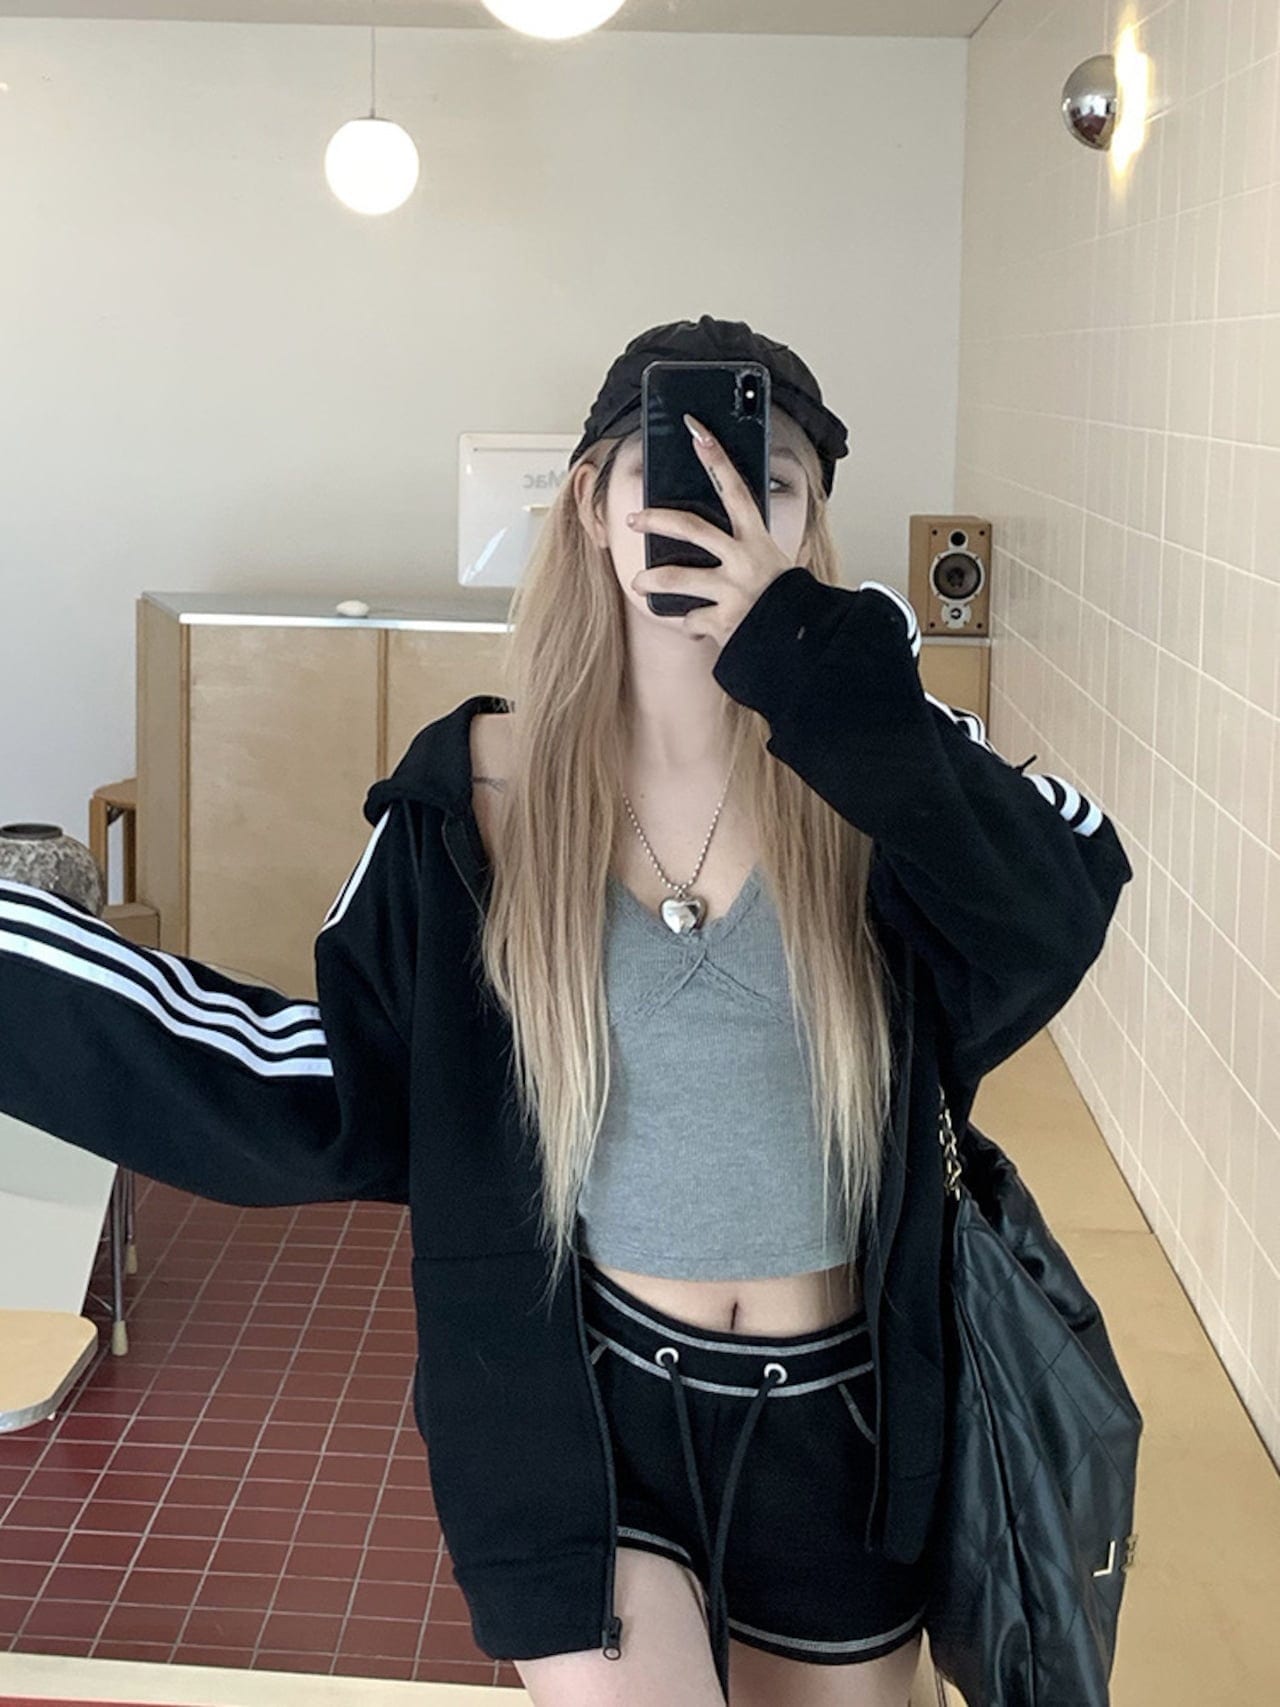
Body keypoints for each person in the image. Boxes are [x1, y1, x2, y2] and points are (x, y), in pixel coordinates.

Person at [0, 315, 1134, 1707]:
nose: (714, 510)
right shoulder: (468, 799)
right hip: (583, 1425)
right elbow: (341, 1089)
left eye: (766, 482)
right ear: (593, 504)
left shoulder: (881, 763)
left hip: (851, 1425)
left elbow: (1056, 907)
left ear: (810, 525)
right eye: (671, 474)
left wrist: (805, 662)